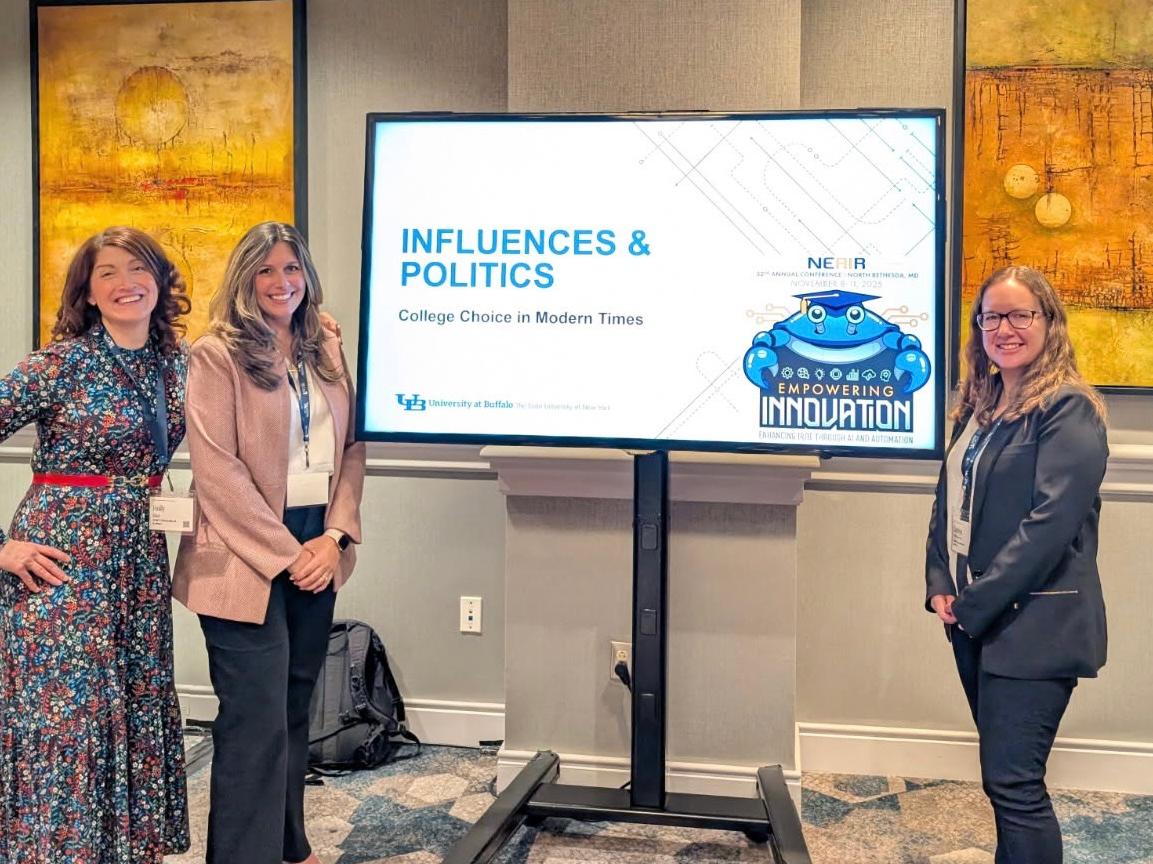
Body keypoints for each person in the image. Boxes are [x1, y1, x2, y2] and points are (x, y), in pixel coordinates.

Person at [173, 221, 365, 864]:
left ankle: (287, 843)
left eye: (291, 269)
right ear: (244, 280)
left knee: (292, 707)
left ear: (306, 276)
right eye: (265, 271)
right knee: (253, 719)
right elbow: (218, 471)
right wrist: (291, 555)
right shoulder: (215, 354)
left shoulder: (327, 348)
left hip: (320, 543)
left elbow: (354, 449)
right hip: (242, 553)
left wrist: (335, 538)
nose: (280, 282)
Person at [0, 227, 191, 862]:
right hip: (59, 561)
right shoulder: (57, 365)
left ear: (161, 280)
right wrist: (1, 548)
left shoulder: (177, 364)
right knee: (66, 719)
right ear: (87, 290)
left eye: (138, 268)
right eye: (107, 272)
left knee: (135, 704)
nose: (125, 282)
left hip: (137, 560)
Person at [925, 265, 1108, 863]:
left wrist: (974, 602)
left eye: (1020, 314)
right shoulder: (980, 406)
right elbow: (949, 499)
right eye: (991, 317)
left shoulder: (1068, 409)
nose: (1004, 328)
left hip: (1033, 625)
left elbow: (1048, 527)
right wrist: (939, 584)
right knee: (1004, 782)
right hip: (976, 618)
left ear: (1048, 323)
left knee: (1015, 785)